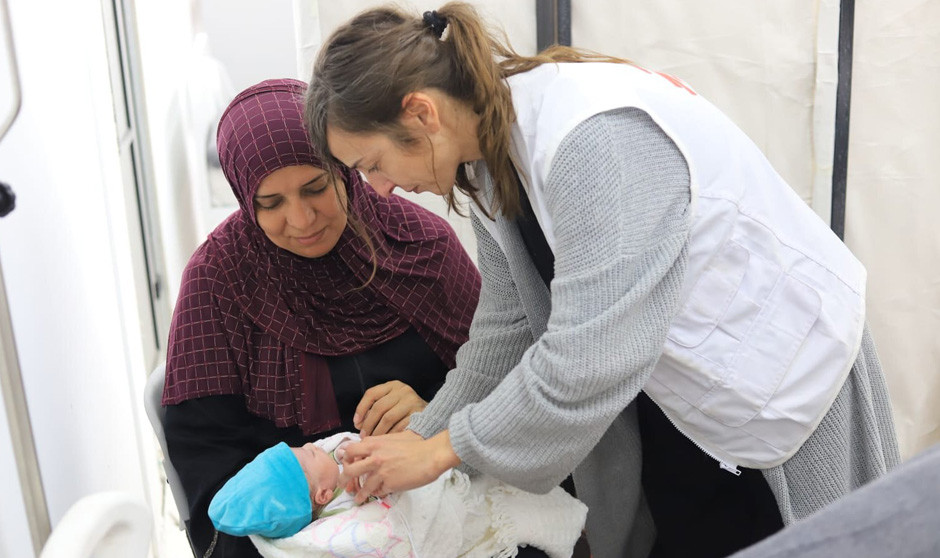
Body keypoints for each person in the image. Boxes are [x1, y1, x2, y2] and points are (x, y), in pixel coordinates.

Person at [304, 4, 901, 558]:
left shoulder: (593, 138)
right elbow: (505, 330)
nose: (380, 188)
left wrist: (441, 450)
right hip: (684, 403)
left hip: (781, 377)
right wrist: (420, 438)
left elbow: (591, 356)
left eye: (373, 164)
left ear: (421, 113)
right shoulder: (484, 162)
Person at [161, 78, 481, 558]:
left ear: (345, 169)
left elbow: (497, 376)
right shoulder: (218, 284)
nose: (302, 219)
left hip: (439, 501)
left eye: (316, 188)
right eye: (271, 203)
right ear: (246, 200)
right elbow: (208, 462)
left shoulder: (421, 245)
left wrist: (433, 409)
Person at [207, 431, 587, 558]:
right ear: (322, 494)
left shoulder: (335, 464)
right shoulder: (338, 526)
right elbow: (388, 527)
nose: (311, 445)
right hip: (441, 521)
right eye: (307, 455)